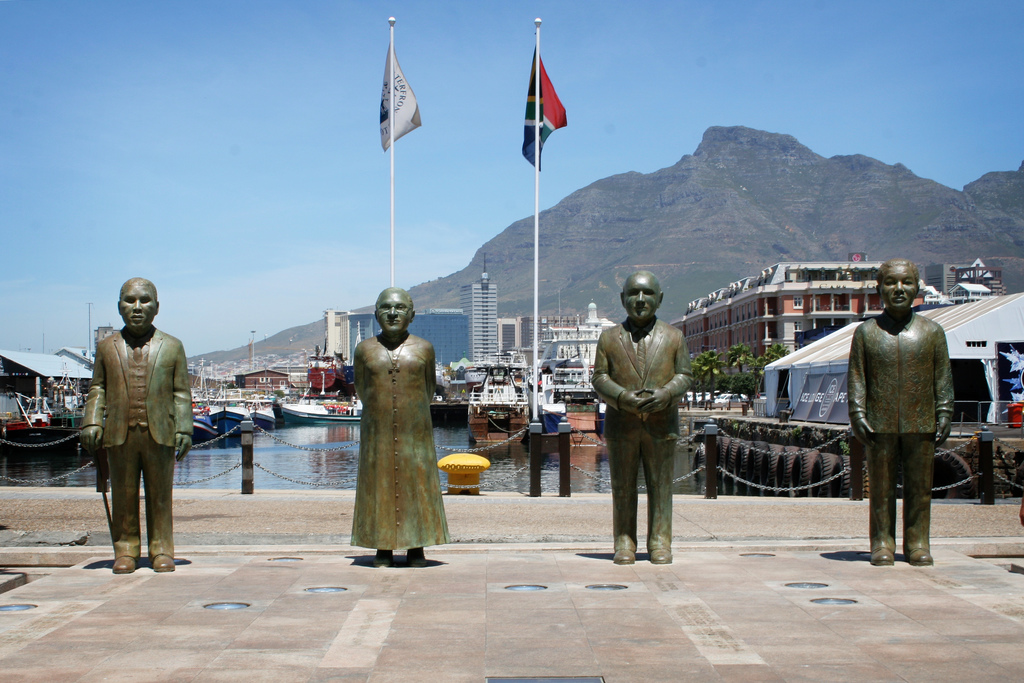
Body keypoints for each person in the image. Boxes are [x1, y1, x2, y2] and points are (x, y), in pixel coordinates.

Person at [81, 278, 192, 574]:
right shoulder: (106, 348)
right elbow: (98, 389)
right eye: (130, 301)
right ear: (120, 306)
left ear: (157, 307)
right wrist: (91, 421)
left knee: (160, 495)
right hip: (119, 433)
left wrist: (185, 428)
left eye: (145, 301)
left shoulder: (173, 346)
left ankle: (161, 550)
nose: (137, 307)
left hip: (161, 432)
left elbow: (181, 392)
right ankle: (126, 550)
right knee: (123, 493)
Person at [849, 258, 953, 567]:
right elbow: (857, 378)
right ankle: (882, 543)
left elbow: (943, 377)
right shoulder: (866, 333)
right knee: (880, 489)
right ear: (878, 289)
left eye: (906, 282)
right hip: (879, 422)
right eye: (891, 283)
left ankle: (918, 542)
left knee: (920, 488)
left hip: (921, 420)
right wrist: (857, 414)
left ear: (917, 288)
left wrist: (944, 411)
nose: (899, 289)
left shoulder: (932, 332)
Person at [592, 271, 693, 564]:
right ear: (623, 299)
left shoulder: (675, 337)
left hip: (662, 424)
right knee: (622, 487)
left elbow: (685, 375)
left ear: (659, 299)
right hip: (621, 425)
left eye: (647, 293)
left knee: (661, 487)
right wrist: (622, 397)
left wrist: (666, 394)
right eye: (633, 293)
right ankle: (624, 542)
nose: (640, 300)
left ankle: (660, 542)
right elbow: (599, 377)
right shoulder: (608, 338)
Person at [351, 287, 449, 567]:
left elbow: (428, 389)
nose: (393, 313)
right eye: (385, 307)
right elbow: (362, 389)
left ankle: (416, 546)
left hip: (414, 431)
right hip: (377, 431)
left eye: (400, 308)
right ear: (376, 314)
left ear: (412, 314)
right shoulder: (364, 350)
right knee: (377, 485)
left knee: (417, 485)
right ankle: (382, 547)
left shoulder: (424, 349)